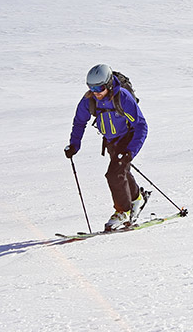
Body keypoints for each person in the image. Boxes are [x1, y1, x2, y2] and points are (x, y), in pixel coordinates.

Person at [64, 64, 150, 231]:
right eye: (92, 87)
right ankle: (137, 198)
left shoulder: (122, 97)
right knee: (121, 172)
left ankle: (122, 211)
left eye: (99, 87)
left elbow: (141, 126)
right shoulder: (89, 99)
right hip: (111, 141)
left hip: (128, 138)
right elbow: (79, 122)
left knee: (114, 173)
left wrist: (130, 151)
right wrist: (74, 145)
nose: (96, 91)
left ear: (109, 84)